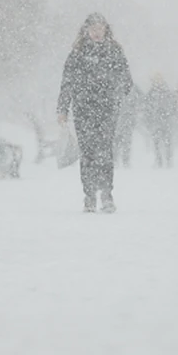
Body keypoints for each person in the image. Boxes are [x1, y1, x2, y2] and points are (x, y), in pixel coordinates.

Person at [57, 13, 133, 213]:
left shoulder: (114, 51)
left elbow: (127, 81)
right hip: (83, 111)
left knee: (105, 152)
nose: (97, 32)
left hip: (107, 110)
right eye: (93, 29)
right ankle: (89, 195)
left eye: (100, 28)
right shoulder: (77, 53)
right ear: (86, 31)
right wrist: (63, 109)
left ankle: (107, 194)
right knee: (88, 153)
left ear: (106, 30)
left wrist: (115, 89)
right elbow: (67, 83)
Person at [145, 73, 176, 168]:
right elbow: (174, 105)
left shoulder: (151, 92)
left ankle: (160, 160)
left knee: (157, 142)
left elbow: (147, 107)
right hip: (166, 119)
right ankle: (168, 160)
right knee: (167, 141)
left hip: (156, 120)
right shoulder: (167, 91)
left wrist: (148, 119)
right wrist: (171, 114)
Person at [113, 83, 142, 167]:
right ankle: (116, 160)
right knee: (117, 141)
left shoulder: (133, 88)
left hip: (127, 120)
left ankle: (125, 161)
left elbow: (141, 99)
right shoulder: (116, 87)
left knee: (125, 142)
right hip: (119, 119)